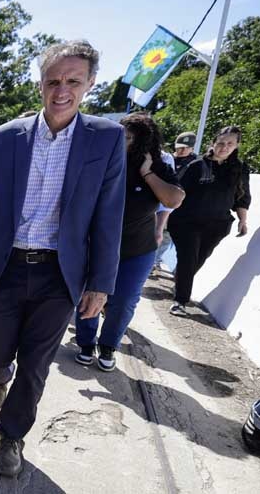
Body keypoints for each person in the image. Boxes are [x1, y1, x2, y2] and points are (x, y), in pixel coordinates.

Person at [0, 40, 126, 477]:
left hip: (61, 273)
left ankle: (11, 435)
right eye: (53, 80)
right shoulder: (4, 138)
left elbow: (110, 215)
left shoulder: (107, 139)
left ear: (90, 84)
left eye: (73, 81)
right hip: (7, 267)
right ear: (40, 83)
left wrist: (101, 283)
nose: (62, 90)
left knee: (37, 365)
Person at [75, 113, 184, 370]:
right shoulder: (102, 160)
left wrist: (147, 173)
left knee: (123, 301)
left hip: (136, 249)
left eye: (130, 138)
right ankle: (86, 343)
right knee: (87, 294)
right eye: (121, 135)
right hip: (96, 245)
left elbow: (173, 199)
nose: (123, 141)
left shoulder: (155, 165)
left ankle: (109, 346)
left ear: (143, 142)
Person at [167, 126, 251, 316]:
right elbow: (177, 190)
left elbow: (243, 197)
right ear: (213, 144)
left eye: (230, 144)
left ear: (236, 145)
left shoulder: (240, 168)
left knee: (199, 258)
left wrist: (242, 220)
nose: (224, 147)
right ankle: (180, 301)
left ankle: (180, 282)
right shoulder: (196, 166)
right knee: (188, 258)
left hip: (218, 224)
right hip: (187, 222)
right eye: (220, 143)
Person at [154, 132, 195, 272]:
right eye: (179, 147)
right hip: (162, 206)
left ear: (192, 148)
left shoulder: (194, 164)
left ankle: (157, 260)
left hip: (181, 209)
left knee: (167, 238)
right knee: (158, 233)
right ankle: (153, 261)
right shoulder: (166, 159)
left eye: (186, 147)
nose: (182, 150)